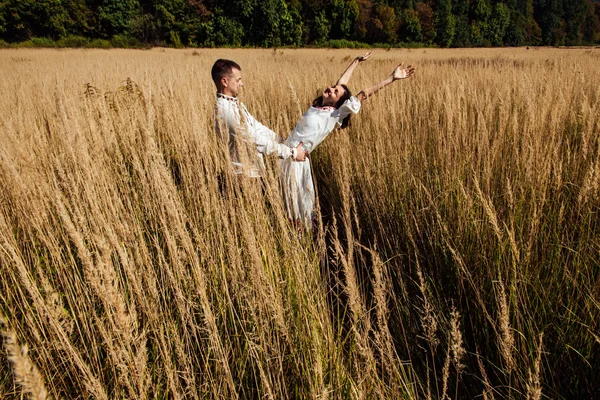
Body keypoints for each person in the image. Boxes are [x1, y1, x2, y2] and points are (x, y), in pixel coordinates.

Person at [280, 52, 415, 226]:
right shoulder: (318, 106)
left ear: (338, 103)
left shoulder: (334, 115)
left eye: (335, 92)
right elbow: (341, 83)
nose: (331, 89)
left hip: (297, 163)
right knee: (286, 202)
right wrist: (356, 61)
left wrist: (392, 78)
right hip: (286, 155)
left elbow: (363, 94)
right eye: (332, 88)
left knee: (297, 208)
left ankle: (303, 240)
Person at [211, 59, 306, 179]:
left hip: (254, 172)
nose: (242, 83)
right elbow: (255, 139)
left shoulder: (235, 104)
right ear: (225, 82)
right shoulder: (225, 111)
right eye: (238, 80)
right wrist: (291, 153)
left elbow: (257, 127)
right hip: (243, 176)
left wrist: (281, 140)